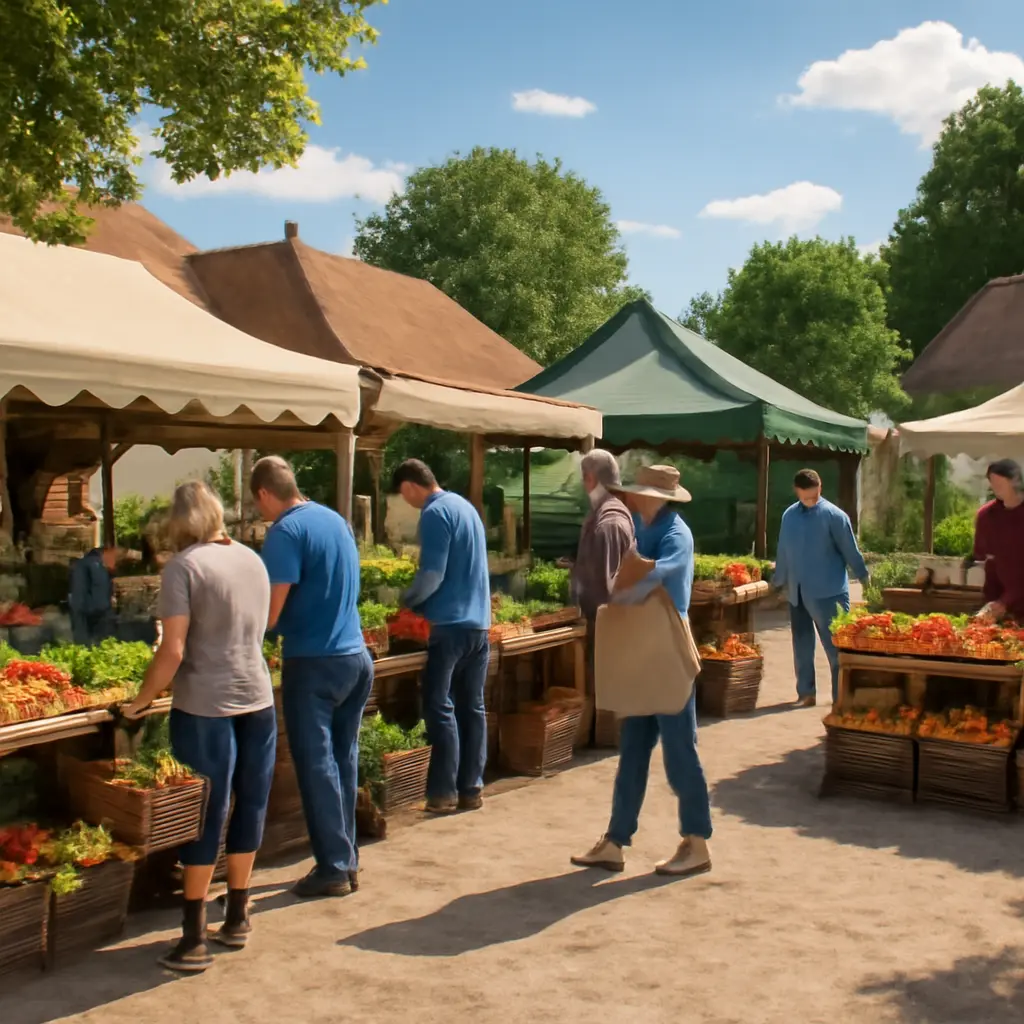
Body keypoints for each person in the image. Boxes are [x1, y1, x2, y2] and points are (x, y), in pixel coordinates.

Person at [123, 482, 276, 972]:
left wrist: (140, 702)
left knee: (206, 811)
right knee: (250, 802)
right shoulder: (252, 560)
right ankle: (236, 914)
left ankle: (192, 936)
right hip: (257, 697)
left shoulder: (183, 568)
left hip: (205, 705)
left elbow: (172, 650)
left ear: (178, 525)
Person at [571, 465, 713, 877]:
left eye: (635, 492)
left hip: (668, 648)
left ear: (654, 495)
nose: (629, 497)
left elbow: (662, 573)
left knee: (679, 751)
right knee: (632, 748)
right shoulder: (635, 523)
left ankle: (697, 842)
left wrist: (621, 595)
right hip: (640, 647)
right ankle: (615, 842)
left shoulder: (675, 533)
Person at [252, 456, 372, 899]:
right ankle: (347, 857)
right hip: (355, 656)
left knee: (318, 766)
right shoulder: (335, 521)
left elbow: (271, 610)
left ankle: (334, 867)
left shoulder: (284, 533)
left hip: (314, 662)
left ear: (265, 493)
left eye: (258, 504)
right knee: (343, 760)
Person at [392, 459, 490, 815]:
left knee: (439, 705)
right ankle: (472, 788)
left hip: (448, 627)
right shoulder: (465, 507)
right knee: (472, 706)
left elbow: (432, 574)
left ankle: (443, 792)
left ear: (409, 487)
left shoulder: (435, 514)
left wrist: (407, 600)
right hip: (479, 625)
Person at [772, 468, 869, 708]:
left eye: (814, 496)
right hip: (798, 592)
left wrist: (866, 580)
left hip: (830, 593)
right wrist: (778, 581)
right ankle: (806, 692)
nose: (810, 500)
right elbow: (784, 550)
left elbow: (850, 551)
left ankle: (841, 697)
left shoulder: (835, 516)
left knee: (836, 648)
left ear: (820, 488)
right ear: (797, 491)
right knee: (802, 645)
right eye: (805, 497)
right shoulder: (789, 516)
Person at [569, 449, 636, 620]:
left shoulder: (610, 523)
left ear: (590, 478)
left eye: (585, 479)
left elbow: (606, 589)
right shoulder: (604, 514)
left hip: (606, 628)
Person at [972, 459, 1024, 622]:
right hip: (996, 602)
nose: (996, 489)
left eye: (1000, 484)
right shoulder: (987, 516)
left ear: (1015, 481)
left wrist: (1005, 601)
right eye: (992, 484)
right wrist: (993, 602)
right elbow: (987, 560)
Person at [68, 544, 118, 645]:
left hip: (85, 611)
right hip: (94, 613)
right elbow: (97, 591)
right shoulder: (94, 565)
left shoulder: (85, 564)